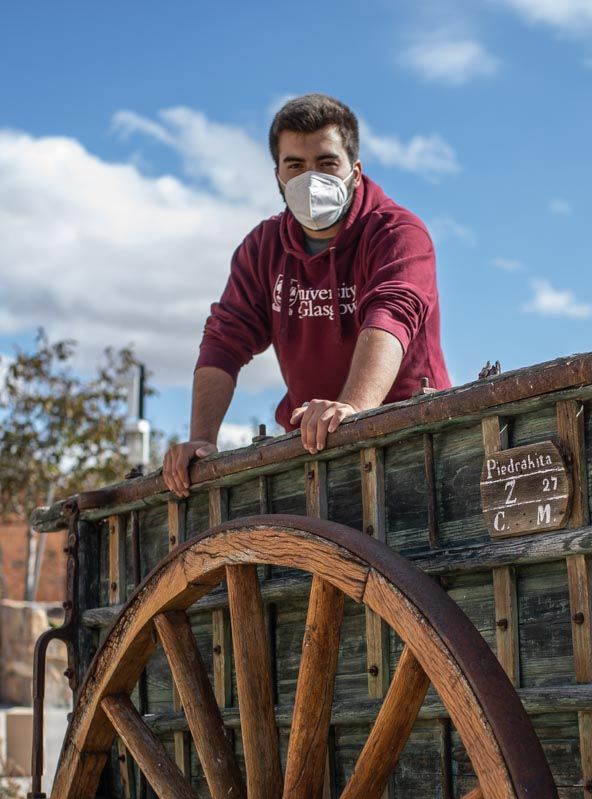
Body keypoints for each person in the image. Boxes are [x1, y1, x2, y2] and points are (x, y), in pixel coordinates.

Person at [162, 93, 449, 497]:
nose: (310, 179)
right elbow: (224, 340)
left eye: (327, 163)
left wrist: (353, 409)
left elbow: (391, 313)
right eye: (295, 165)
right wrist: (200, 439)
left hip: (411, 437)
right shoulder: (262, 249)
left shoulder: (398, 233)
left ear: (355, 169)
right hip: (312, 451)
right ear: (278, 176)